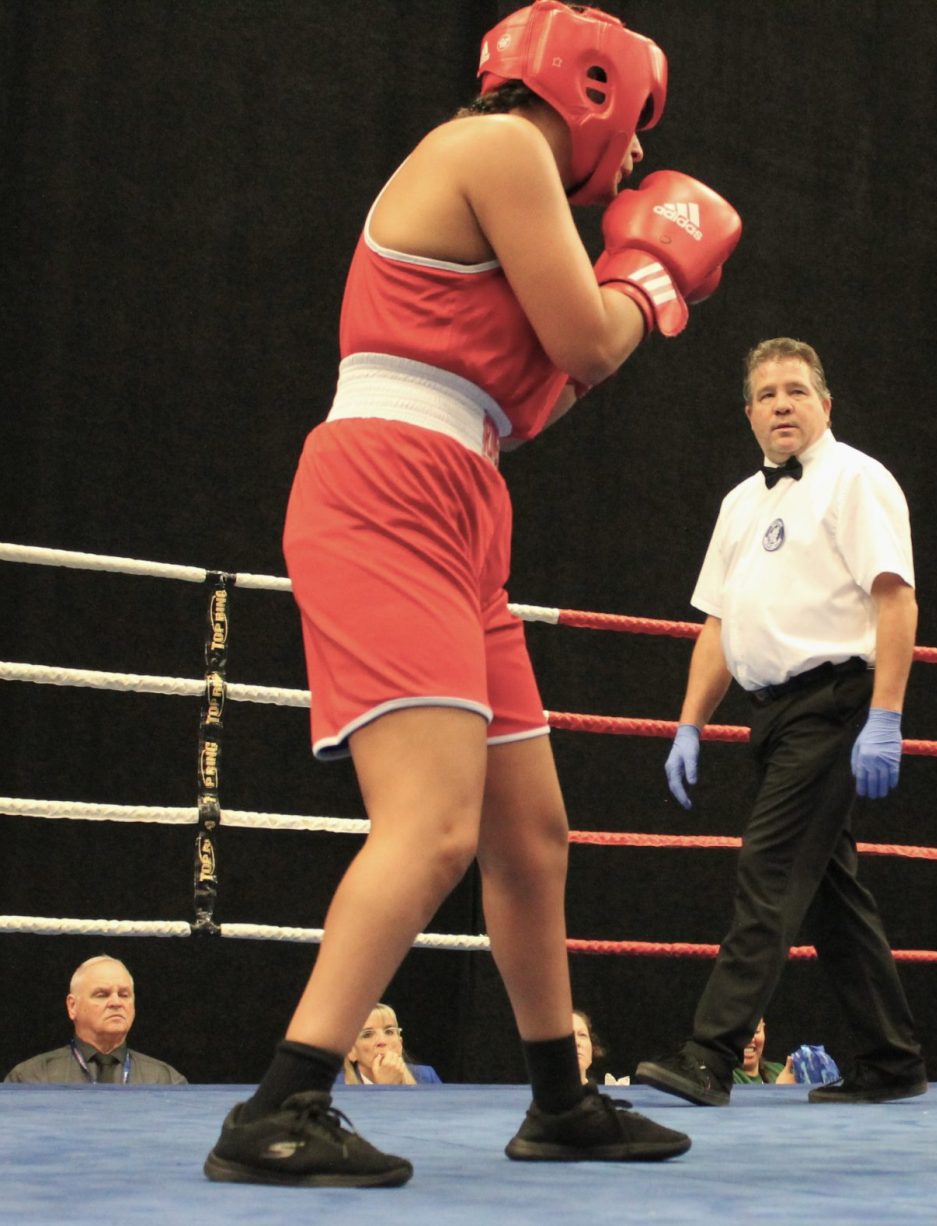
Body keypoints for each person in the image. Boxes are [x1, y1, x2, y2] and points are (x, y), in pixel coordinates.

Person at [204, 1, 740, 1187]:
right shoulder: (496, 148)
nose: (639, 159)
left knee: (530, 834)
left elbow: (543, 393)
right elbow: (597, 346)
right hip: (386, 487)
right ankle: (280, 1103)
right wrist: (653, 276)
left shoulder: (511, 195)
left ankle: (559, 1098)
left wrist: (624, 295)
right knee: (434, 822)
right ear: (589, 91)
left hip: (459, 490)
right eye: (636, 125)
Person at [635, 338, 928, 1107]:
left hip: (835, 706)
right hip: (771, 716)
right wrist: (689, 725)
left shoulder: (856, 480)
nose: (781, 405)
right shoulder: (741, 502)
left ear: (824, 404)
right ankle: (891, 1061)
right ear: (749, 413)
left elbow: (895, 600)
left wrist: (886, 716)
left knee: (768, 872)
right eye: (766, 395)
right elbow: (716, 625)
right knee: (830, 894)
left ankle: (710, 1055)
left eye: (795, 391)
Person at [4, 955, 187, 1085]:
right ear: (72, 1006)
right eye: (102, 995)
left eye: (124, 995)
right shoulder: (32, 1078)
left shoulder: (165, 1080)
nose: (116, 1002)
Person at [341, 1004, 441, 1085]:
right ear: (351, 1051)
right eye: (367, 1035)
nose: (382, 1041)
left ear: (400, 1043)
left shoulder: (426, 1076)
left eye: (389, 1032)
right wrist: (385, 1088)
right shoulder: (334, 1086)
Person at [732, 1018, 795, 1085]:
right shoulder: (724, 1080)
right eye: (738, 1032)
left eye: (756, 1031)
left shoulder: (779, 1070)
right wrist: (782, 1089)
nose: (749, 1039)